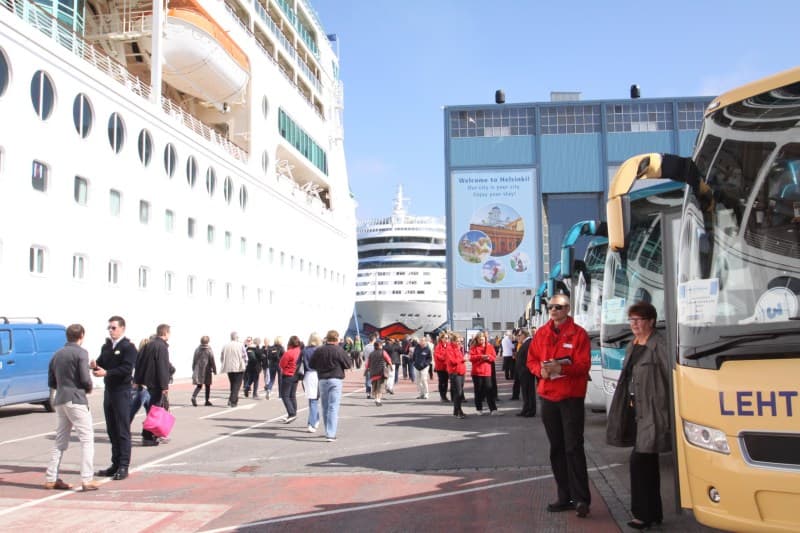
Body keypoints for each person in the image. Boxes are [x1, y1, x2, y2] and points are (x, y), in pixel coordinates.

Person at [607, 302, 671, 530]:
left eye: (639, 320)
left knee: (639, 461)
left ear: (651, 321)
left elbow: (671, 377)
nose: (634, 324)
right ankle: (654, 512)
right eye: (631, 320)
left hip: (654, 410)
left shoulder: (660, 345)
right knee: (649, 462)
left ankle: (642, 515)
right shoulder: (632, 345)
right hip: (635, 410)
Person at [527, 294, 592, 518]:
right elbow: (531, 360)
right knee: (556, 448)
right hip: (549, 397)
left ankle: (581, 499)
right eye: (551, 307)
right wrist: (540, 370)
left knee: (573, 447)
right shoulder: (542, 333)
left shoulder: (579, 334)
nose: (553, 310)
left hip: (571, 398)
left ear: (567, 309)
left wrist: (561, 369)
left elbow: (583, 366)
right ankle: (564, 497)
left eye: (558, 307)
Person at [45, 323, 100, 491]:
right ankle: (87, 478)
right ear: (81, 335)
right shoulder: (81, 353)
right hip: (76, 398)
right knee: (87, 438)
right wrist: (88, 387)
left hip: (61, 398)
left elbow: (51, 380)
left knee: (60, 440)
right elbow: (84, 377)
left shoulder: (57, 354)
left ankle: (51, 477)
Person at [92, 315, 137, 481]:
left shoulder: (128, 347)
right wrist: (95, 366)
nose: (111, 331)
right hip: (109, 391)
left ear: (122, 328)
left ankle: (124, 465)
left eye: (114, 328)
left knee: (122, 429)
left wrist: (108, 372)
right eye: (109, 328)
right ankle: (115, 462)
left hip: (122, 392)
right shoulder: (107, 347)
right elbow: (101, 362)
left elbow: (126, 369)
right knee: (112, 428)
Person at [309, 330, 352, 442]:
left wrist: (321, 366)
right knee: (333, 406)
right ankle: (330, 433)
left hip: (323, 379)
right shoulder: (339, 350)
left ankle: (328, 431)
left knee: (325, 406)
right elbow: (348, 364)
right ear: (336, 339)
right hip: (335, 379)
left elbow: (311, 364)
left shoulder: (320, 350)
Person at [133, 324, 172, 446]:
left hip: (147, 382)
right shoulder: (161, 347)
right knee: (154, 411)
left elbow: (139, 363)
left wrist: (137, 380)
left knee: (151, 411)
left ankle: (150, 435)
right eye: (169, 333)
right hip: (156, 383)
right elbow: (162, 367)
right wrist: (164, 385)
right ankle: (149, 436)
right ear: (165, 333)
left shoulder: (148, 344)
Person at [469, 332, 498, 415]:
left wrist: (488, 357)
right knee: (478, 391)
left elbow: (493, 357)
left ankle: (493, 409)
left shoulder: (489, 346)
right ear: (477, 340)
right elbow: (471, 358)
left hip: (487, 372)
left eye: (483, 338)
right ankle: (479, 409)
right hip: (477, 372)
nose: (481, 340)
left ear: (485, 339)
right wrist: (481, 356)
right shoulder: (474, 347)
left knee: (489, 390)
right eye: (480, 339)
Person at [278, 335, 302, 423]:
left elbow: (282, 364)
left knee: (285, 396)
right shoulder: (300, 351)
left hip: (288, 375)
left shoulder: (289, 352)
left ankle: (292, 413)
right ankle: (293, 413)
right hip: (296, 375)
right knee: (292, 395)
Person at [301, 332, 321, 433]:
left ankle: (316, 419)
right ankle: (311, 423)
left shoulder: (305, 350)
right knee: (314, 400)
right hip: (316, 375)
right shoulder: (318, 350)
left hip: (307, 375)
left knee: (312, 400)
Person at [220, 331, 246, 407]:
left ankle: (234, 400)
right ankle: (232, 400)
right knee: (237, 384)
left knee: (233, 384)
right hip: (238, 367)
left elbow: (222, 357)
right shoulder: (240, 345)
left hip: (229, 367)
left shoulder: (225, 346)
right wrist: (245, 364)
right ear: (237, 338)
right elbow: (245, 356)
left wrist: (224, 363)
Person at [515, 328, 537, 417]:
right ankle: (526, 408)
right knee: (525, 391)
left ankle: (530, 410)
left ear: (524, 335)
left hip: (526, 371)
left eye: (519, 335)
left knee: (529, 391)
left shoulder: (529, 343)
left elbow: (530, 358)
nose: (518, 337)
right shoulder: (525, 343)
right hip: (523, 371)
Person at [446, 333, 467, 418]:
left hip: (461, 371)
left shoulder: (458, 348)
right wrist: (463, 359)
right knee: (457, 392)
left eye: (460, 341)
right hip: (455, 372)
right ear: (453, 341)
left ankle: (456, 410)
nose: (459, 342)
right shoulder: (449, 349)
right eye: (457, 341)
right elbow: (452, 361)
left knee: (459, 392)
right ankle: (458, 411)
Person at [191, 336, 216, 406]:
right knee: (207, 385)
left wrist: (193, 368)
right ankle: (207, 400)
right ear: (208, 342)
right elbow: (212, 360)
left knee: (199, 385)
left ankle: (194, 396)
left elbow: (194, 359)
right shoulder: (209, 349)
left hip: (198, 369)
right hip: (207, 369)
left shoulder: (197, 349)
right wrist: (214, 369)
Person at [367, 340, 392, 406]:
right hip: (381, 372)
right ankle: (378, 400)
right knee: (380, 387)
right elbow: (388, 360)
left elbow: (368, 364)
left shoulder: (371, 353)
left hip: (373, 372)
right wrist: (391, 367)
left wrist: (366, 370)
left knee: (374, 387)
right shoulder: (383, 352)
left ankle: (376, 398)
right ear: (380, 346)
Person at [433, 332, 450, 402]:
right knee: (442, 381)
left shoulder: (448, 346)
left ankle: (445, 395)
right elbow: (437, 356)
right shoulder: (438, 346)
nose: (447, 339)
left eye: (447, 338)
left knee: (446, 382)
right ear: (442, 339)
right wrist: (445, 358)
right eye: (445, 338)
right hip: (440, 367)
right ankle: (442, 396)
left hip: (447, 367)